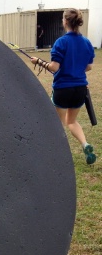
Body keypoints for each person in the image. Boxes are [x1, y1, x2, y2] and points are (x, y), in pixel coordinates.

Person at [31, 9, 96, 165]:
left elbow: (54, 67)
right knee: (71, 121)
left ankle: (55, 156)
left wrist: (38, 62)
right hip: (80, 89)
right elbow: (89, 67)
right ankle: (85, 144)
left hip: (63, 89)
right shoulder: (87, 42)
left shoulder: (61, 42)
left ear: (65, 21)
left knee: (57, 124)